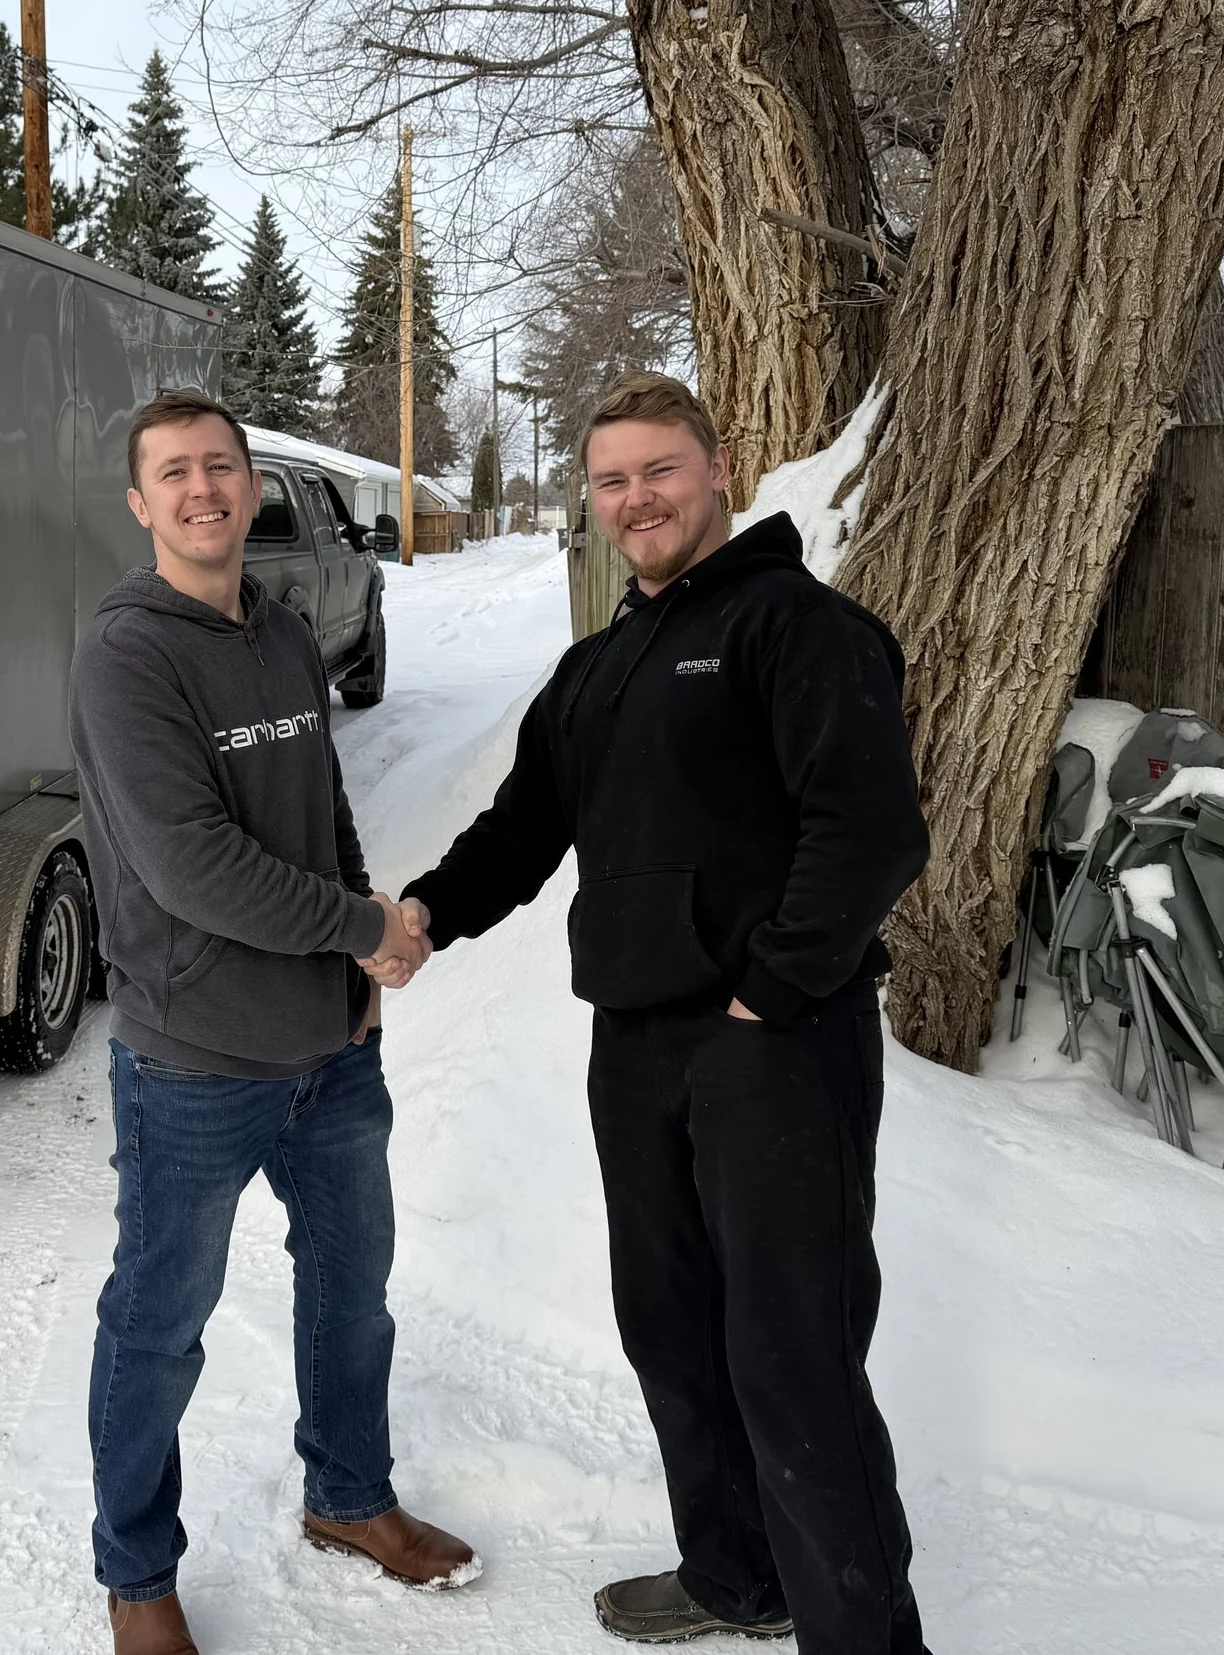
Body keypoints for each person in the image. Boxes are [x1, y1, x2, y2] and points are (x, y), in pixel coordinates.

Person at [394, 373, 933, 1652]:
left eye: (660, 470)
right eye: (613, 480)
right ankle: (737, 1576)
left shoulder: (798, 629)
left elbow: (870, 833)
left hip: (775, 1046)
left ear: (718, 468)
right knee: (673, 1329)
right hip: (635, 1042)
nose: (637, 498)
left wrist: (773, 990)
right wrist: (421, 915)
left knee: (792, 1356)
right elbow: (525, 828)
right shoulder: (598, 666)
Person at [71, 389, 477, 1655]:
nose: (204, 489)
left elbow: (323, 811)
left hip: (329, 1054)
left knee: (353, 1294)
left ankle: (348, 1498)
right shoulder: (126, 655)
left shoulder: (284, 632)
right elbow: (191, 865)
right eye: (175, 472)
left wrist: (359, 959)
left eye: (222, 467)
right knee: (159, 1323)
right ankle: (138, 1576)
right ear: (141, 504)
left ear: (252, 488)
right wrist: (363, 930)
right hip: (194, 1061)